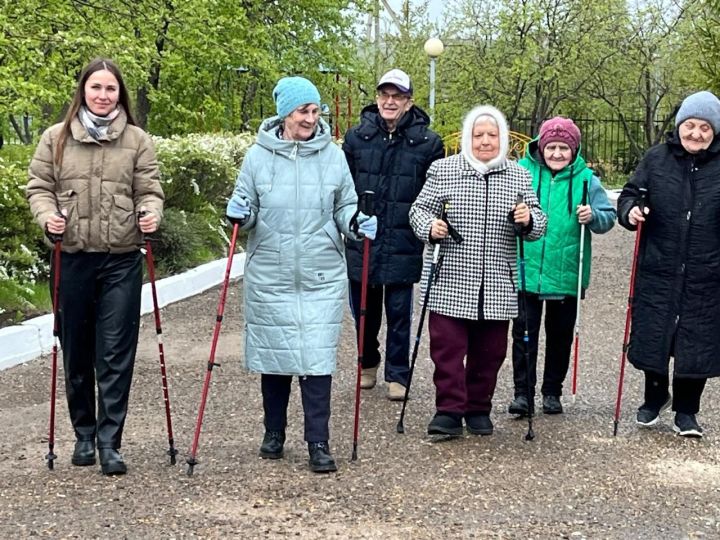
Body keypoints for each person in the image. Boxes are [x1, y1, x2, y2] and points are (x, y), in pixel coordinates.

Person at [226, 76, 377, 472]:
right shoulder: (257, 156)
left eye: (314, 110)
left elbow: (345, 204)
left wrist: (355, 222)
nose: (311, 118)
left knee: (316, 359)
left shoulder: (332, 155)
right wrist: (240, 212)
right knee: (274, 357)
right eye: (302, 111)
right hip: (271, 272)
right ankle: (273, 431)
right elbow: (248, 205)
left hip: (320, 273)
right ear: (284, 114)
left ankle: (318, 442)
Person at [26, 58, 164, 475]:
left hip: (121, 260)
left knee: (116, 352)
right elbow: (39, 188)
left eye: (111, 89)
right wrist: (46, 217)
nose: (103, 96)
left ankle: (110, 441)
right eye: (96, 88)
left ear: (120, 94)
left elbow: (150, 189)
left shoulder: (138, 141)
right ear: (82, 91)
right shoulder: (56, 139)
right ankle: (83, 433)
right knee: (77, 351)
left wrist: (150, 213)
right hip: (72, 259)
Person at [409, 105, 547, 437]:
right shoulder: (443, 169)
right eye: (478, 134)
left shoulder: (518, 175)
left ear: (502, 139)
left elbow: (539, 222)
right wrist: (430, 226)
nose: (485, 141)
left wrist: (527, 220)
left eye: (492, 135)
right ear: (467, 137)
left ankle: (478, 407)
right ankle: (449, 410)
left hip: (498, 278)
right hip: (451, 276)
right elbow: (418, 210)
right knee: (447, 350)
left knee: (491, 351)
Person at [617, 91, 720, 438]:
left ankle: (687, 411)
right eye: (690, 125)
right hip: (659, 265)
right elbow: (632, 193)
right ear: (679, 127)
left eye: (705, 127)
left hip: (707, 271)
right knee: (656, 334)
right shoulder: (656, 159)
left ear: (714, 131)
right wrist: (630, 211)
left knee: (697, 341)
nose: (696, 134)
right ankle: (654, 396)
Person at [342, 68, 444, 401]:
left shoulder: (428, 142)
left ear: (408, 102)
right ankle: (367, 363)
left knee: (399, 313)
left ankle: (398, 374)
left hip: (403, 240)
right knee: (363, 312)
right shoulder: (357, 138)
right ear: (376, 99)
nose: (389, 101)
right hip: (363, 239)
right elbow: (343, 189)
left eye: (397, 96)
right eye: (384, 95)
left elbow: (434, 192)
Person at [507, 117, 616, 417]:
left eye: (563, 148)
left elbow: (608, 217)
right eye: (551, 147)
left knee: (560, 336)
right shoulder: (522, 173)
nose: (557, 153)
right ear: (541, 147)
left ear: (574, 149)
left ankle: (552, 391)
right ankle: (522, 393)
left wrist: (593, 215)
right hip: (526, 269)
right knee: (523, 335)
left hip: (567, 271)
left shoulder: (587, 180)